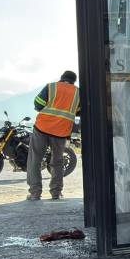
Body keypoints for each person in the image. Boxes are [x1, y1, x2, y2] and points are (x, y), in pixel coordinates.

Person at [26, 70, 80, 201]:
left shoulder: (51, 87)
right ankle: (56, 193)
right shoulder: (78, 92)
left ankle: (35, 193)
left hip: (42, 128)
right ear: (74, 81)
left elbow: (38, 104)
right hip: (61, 132)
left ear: (62, 78)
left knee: (35, 160)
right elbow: (78, 111)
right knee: (57, 161)